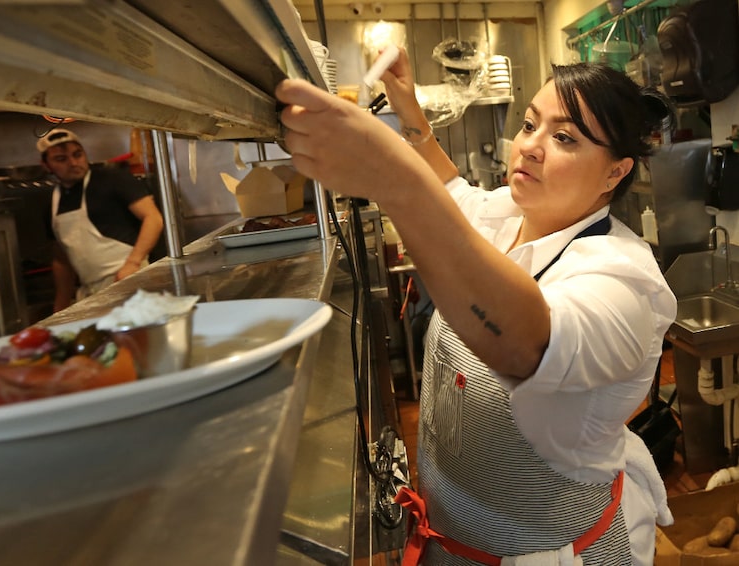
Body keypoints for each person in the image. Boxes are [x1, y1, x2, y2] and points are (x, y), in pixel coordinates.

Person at [276, 49, 677, 565]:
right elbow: (455, 194)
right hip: (454, 543)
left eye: (564, 138)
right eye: (530, 124)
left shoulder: (624, 283)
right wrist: (412, 116)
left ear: (614, 173)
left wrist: (392, 178)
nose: (529, 146)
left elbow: (527, 344)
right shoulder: (511, 213)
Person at [38, 128, 164, 312]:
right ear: (46, 165)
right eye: (61, 159)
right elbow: (61, 259)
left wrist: (133, 263)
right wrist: (61, 304)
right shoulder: (51, 202)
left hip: (130, 280)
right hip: (91, 293)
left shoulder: (113, 179)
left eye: (77, 154)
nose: (73, 163)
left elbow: (153, 217)